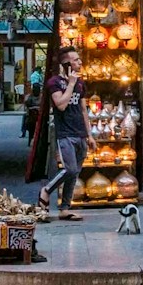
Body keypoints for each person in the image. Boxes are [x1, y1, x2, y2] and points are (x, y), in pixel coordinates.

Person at [37, 47, 91, 220]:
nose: (80, 62)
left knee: (75, 173)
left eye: (79, 59)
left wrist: (89, 135)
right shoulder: (54, 82)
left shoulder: (81, 83)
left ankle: (65, 208)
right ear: (66, 64)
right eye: (75, 60)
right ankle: (46, 191)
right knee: (69, 168)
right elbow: (60, 104)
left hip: (80, 132)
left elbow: (83, 110)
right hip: (65, 133)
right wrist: (71, 84)